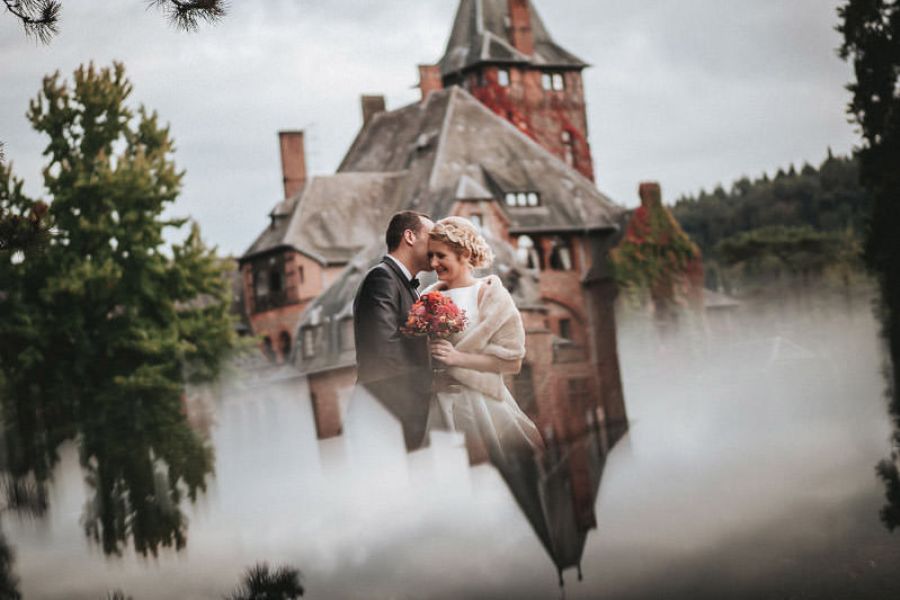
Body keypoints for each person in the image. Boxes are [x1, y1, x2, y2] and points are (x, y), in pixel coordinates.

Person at [425, 217, 543, 459]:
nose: (433, 263)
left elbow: (512, 362)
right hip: (437, 406)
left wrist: (458, 358)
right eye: (430, 256)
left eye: (440, 256)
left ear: (465, 254)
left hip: (482, 404)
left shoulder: (492, 296)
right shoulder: (427, 298)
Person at [353, 211, 435, 451]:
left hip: (402, 413)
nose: (436, 244)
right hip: (388, 413)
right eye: (431, 236)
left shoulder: (406, 284)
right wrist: (425, 392)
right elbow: (383, 352)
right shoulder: (382, 278)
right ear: (409, 237)